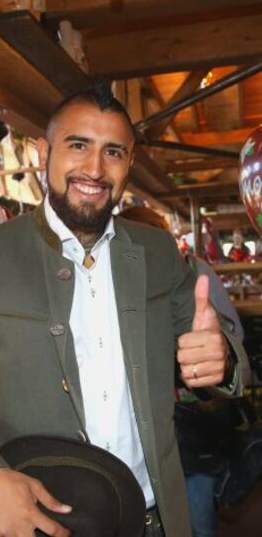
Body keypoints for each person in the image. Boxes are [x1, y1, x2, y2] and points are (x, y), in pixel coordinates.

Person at [0, 83, 248, 537]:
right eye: (78, 145)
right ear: (45, 151)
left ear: (129, 163)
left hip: (150, 520)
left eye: (114, 152)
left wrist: (220, 357)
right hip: (33, 524)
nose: (94, 168)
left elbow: (220, 356)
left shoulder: (157, 251)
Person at [119, 205, 249, 537]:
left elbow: (234, 337)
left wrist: (212, 345)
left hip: (191, 422)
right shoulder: (112, 281)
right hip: (139, 430)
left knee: (196, 518)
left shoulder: (193, 270)